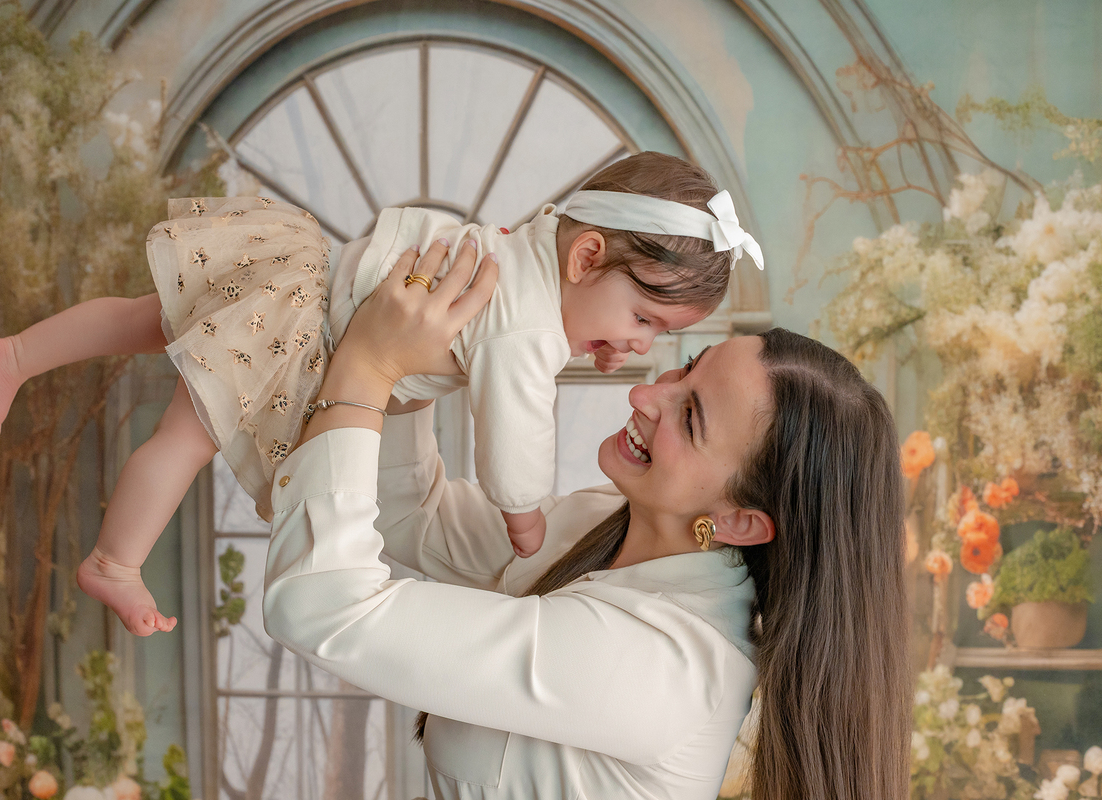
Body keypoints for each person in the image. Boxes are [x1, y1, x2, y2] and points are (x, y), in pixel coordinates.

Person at [0, 152, 763, 635]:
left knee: (154, 317)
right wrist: (522, 513)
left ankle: (18, 351)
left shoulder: (523, 245)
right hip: (307, 341)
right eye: (644, 318)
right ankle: (115, 561)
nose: (638, 347)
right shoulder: (526, 330)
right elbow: (513, 445)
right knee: (188, 436)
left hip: (301, 276)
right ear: (585, 258)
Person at [262, 239, 911, 799]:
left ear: (741, 521)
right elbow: (416, 517)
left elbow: (323, 608)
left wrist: (370, 365)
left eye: (689, 417)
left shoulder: (662, 668)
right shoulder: (608, 524)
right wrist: (430, 360)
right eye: (685, 368)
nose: (645, 393)